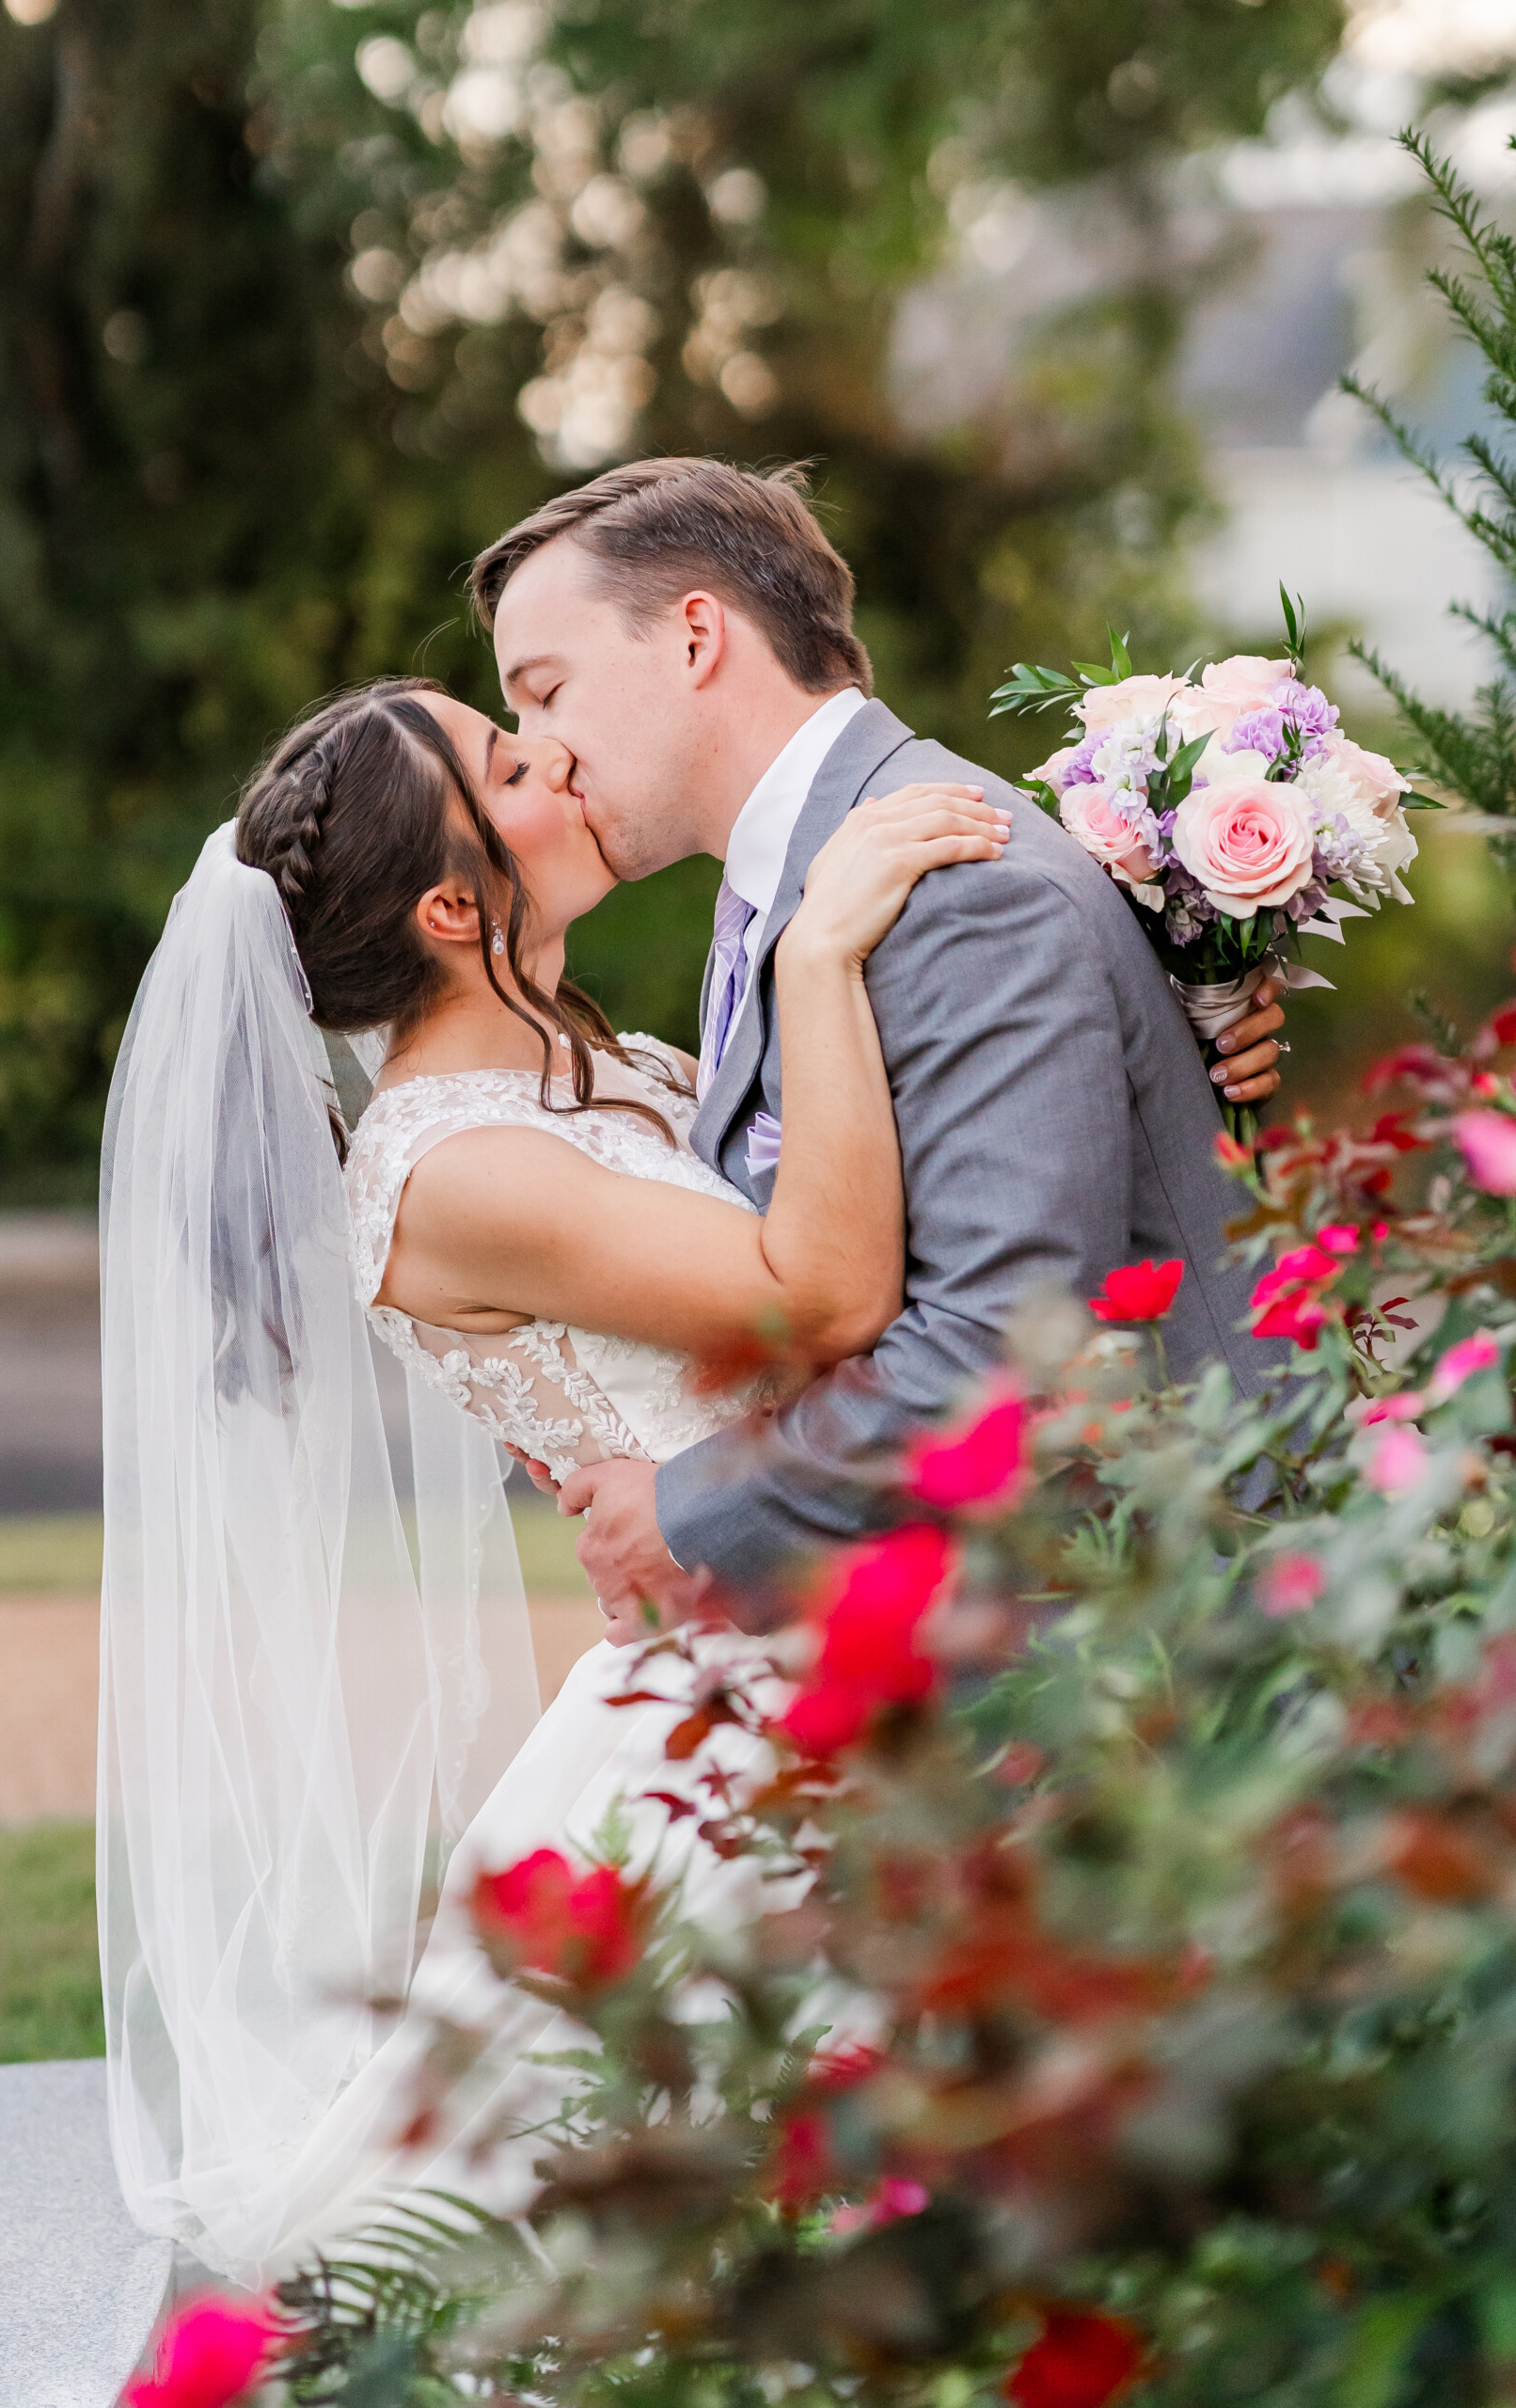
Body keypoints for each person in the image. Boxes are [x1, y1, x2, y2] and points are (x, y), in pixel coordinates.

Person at [98, 674, 1031, 2283]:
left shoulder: (594, 1069)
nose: (568, 758)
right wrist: (818, 949)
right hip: (751, 1695)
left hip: (838, 1615)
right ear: (458, 903)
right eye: (513, 760)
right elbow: (815, 1295)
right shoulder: (450, 1165)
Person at [468, 458, 1287, 1619]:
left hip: (1149, 1642)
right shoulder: (787, 884)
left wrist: (688, 1512)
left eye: (545, 691)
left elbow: (996, 1346)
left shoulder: (956, 891)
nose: (537, 748)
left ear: (694, 637)